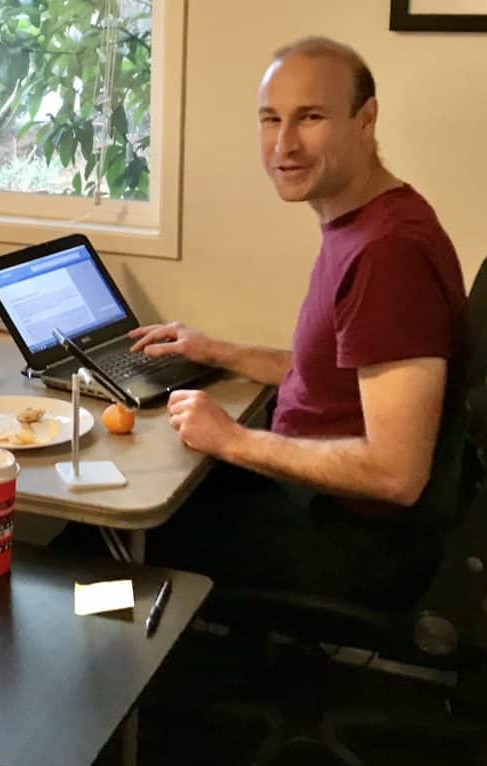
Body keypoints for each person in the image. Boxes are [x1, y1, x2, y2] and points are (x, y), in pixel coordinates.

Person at [130, 37, 468, 606]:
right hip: (312, 497)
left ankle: (125, 684)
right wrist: (218, 352)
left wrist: (232, 439)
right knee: (152, 474)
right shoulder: (365, 219)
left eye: (310, 117)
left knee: (104, 539)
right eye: (271, 119)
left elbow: (396, 473)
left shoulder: (388, 254)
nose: (284, 144)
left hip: (348, 536)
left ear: (366, 119)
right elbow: (340, 371)